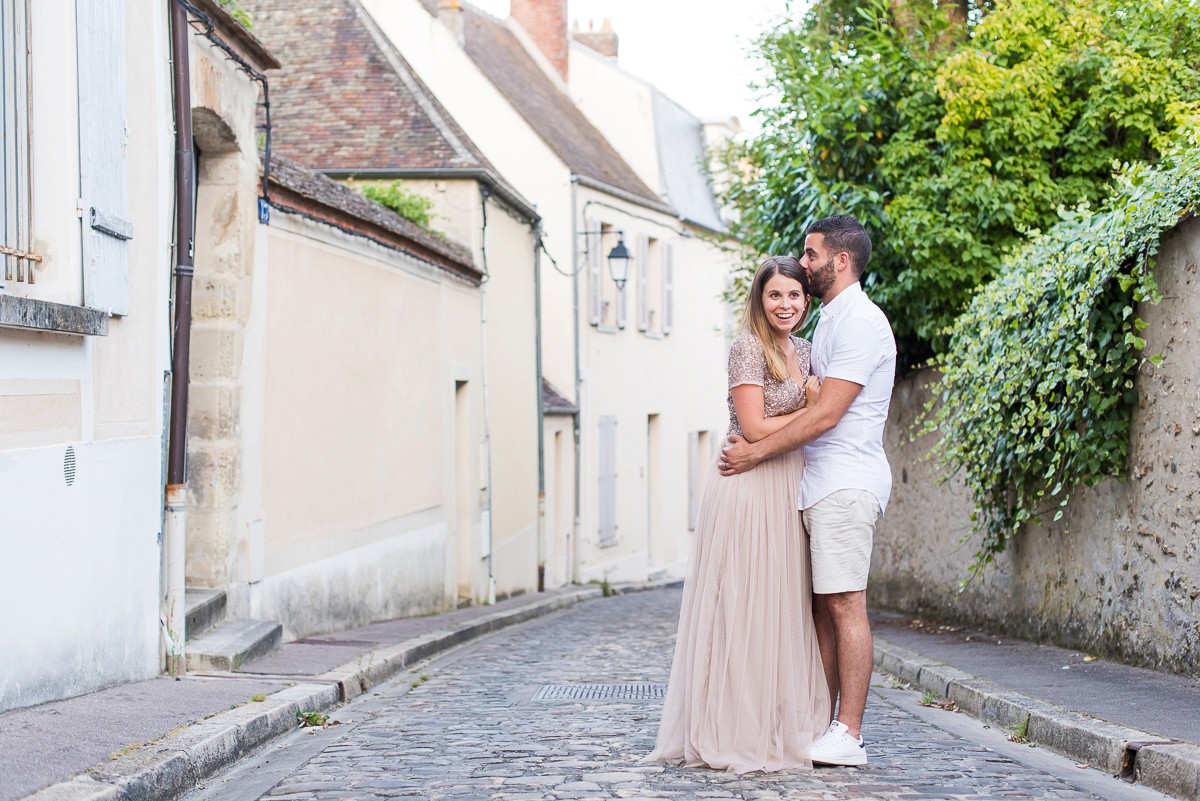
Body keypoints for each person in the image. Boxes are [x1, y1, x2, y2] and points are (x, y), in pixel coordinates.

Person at [718, 215, 896, 767]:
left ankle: (849, 731)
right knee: (821, 610)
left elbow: (825, 417)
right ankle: (817, 722)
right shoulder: (827, 324)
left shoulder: (861, 324)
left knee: (845, 603)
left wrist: (753, 450)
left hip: (845, 481)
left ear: (839, 261)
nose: (805, 263)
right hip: (816, 483)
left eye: (811, 255)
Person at [648, 256, 831, 774]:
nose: (786, 305)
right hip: (748, 486)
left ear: (805, 299)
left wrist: (811, 409)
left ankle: (778, 726)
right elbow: (752, 428)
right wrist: (811, 408)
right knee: (743, 607)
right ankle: (732, 729)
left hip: (788, 484)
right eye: (775, 295)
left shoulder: (806, 350)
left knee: (780, 609)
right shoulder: (747, 349)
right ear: (760, 299)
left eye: (794, 295)